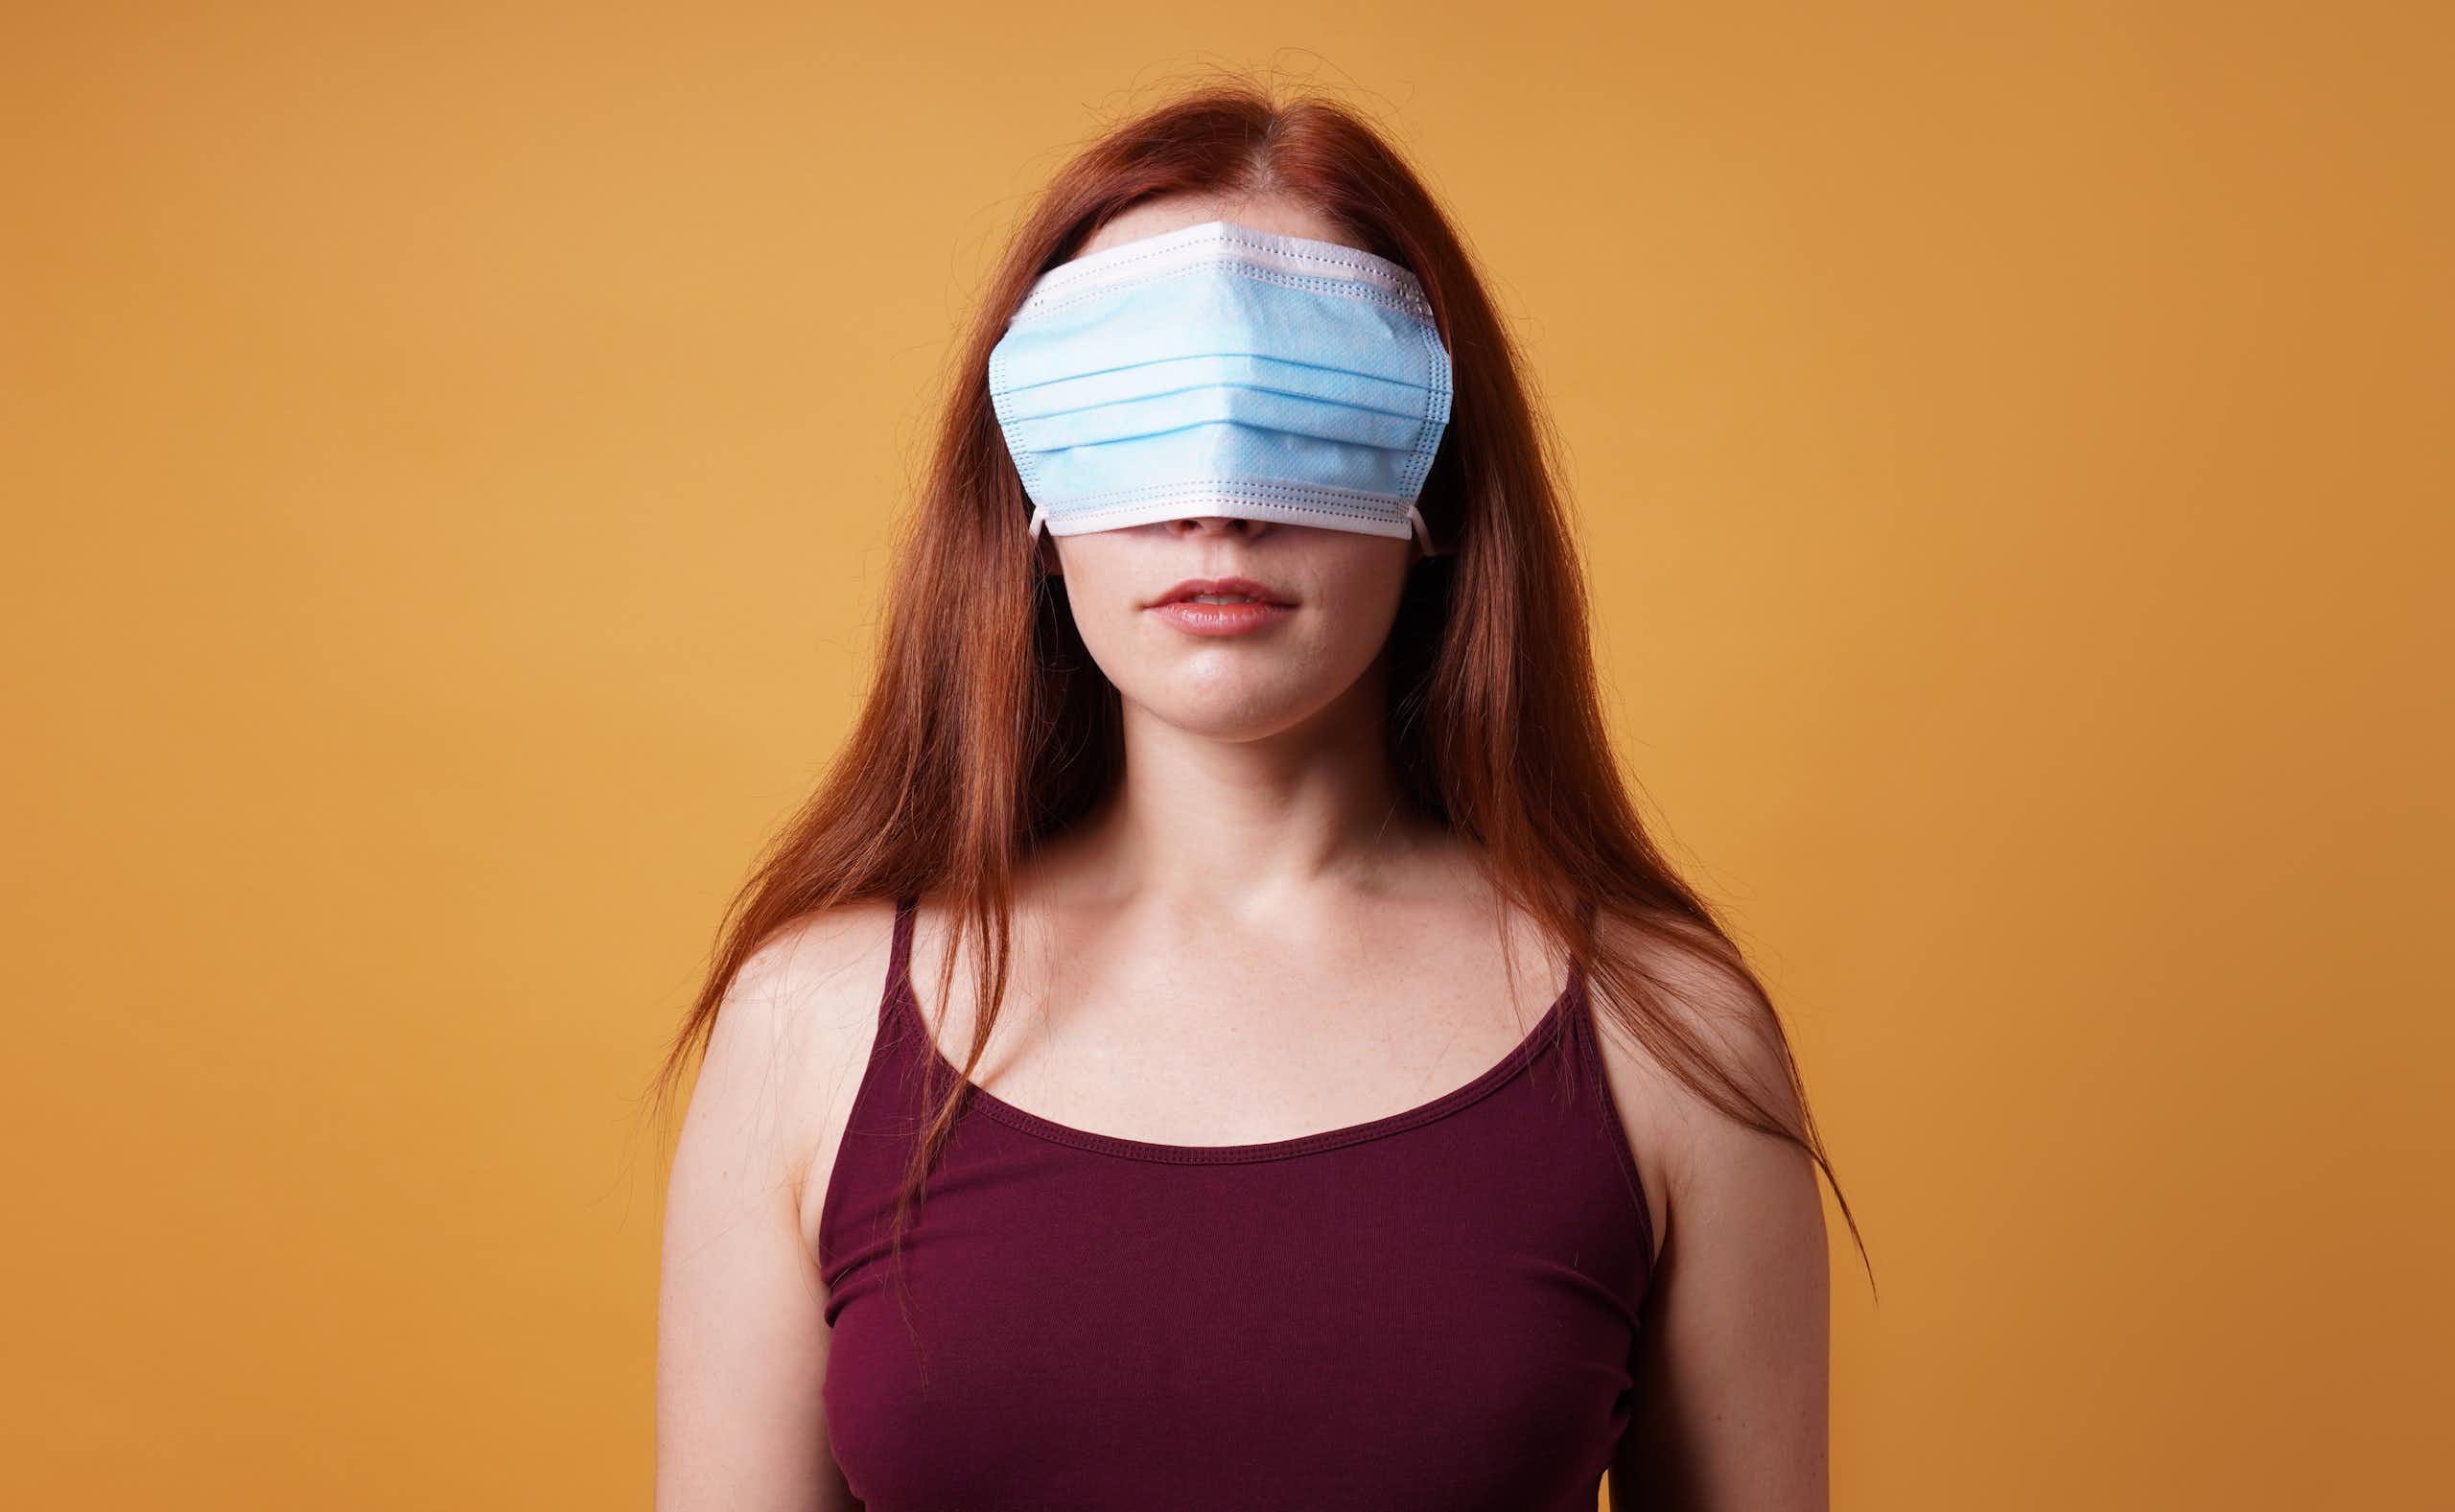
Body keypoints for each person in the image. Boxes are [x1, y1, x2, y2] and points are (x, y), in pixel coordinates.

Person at [650, 82, 1859, 1512]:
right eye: (1136, 410)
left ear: (1441, 491)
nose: (1215, 502)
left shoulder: (1671, 1038)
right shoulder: (811, 1027)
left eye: (1306, 403)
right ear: (1031, 500)